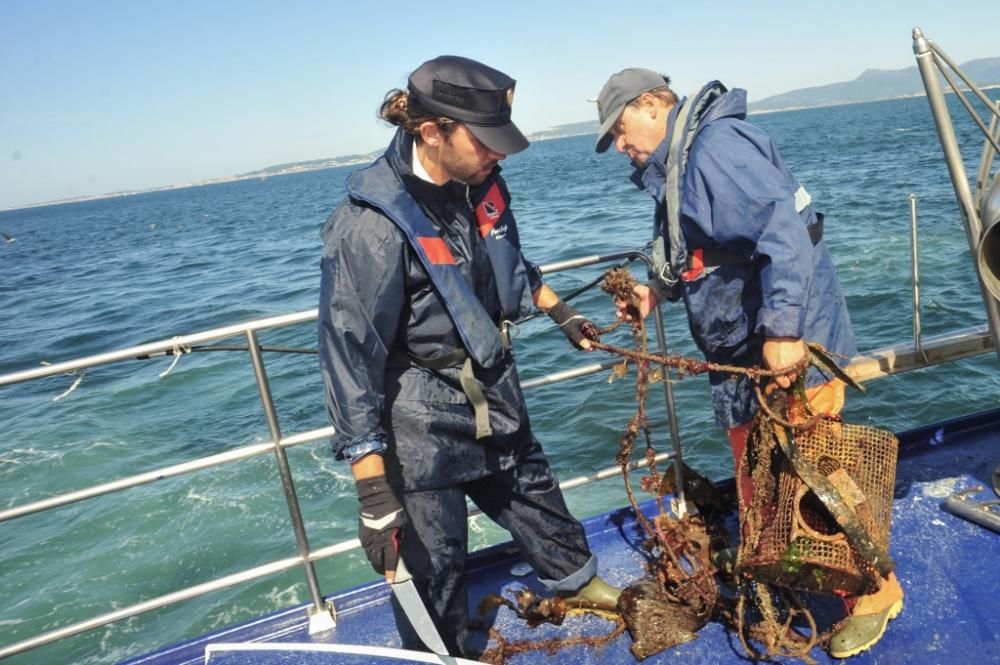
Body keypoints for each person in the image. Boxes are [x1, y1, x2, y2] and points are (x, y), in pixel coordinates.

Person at [592, 68, 903, 658]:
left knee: (817, 473)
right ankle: (782, 560)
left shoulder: (716, 150)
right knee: (759, 468)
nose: (620, 145)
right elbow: (698, 249)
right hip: (742, 350)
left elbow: (784, 236)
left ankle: (875, 593)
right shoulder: (682, 161)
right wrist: (656, 291)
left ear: (653, 104)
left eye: (621, 128)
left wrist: (785, 331)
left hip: (786, 343)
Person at [318, 55, 617, 658]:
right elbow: (349, 356)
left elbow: (507, 266)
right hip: (420, 415)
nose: (497, 154)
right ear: (432, 132)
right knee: (437, 558)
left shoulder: (478, 182)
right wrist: (373, 492)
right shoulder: (369, 227)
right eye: (485, 142)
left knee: (534, 492)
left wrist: (561, 313)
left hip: (494, 382)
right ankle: (440, 653)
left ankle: (580, 585)